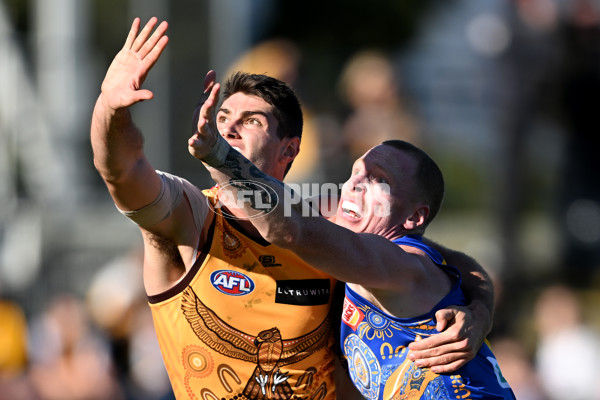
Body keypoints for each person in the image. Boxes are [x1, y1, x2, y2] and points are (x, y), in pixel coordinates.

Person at [91, 17, 494, 399]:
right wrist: (110, 110)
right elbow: (122, 172)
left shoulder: (324, 230)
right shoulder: (190, 218)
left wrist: (477, 309)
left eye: (252, 121)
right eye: (224, 115)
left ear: (289, 150)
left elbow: (439, 261)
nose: (229, 127)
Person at [188, 89, 515, 397]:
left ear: (414, 217)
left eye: (378, 180)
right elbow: (458, 261)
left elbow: (286, 229)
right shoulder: (372, 249)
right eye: (356, 172)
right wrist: (481, 309)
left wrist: (219, 154)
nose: (354, 184)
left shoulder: (400, 264)